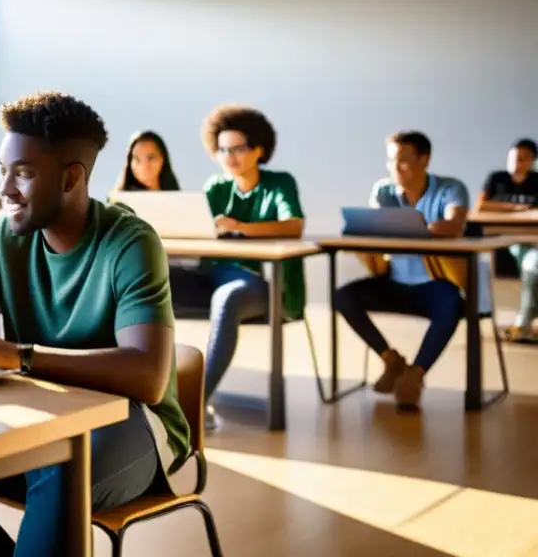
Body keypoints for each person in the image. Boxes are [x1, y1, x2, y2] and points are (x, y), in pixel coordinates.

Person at [0, 91, 190, 557]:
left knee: (59, 462)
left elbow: (148, 377)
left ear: (71, 177)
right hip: (39, 416)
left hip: (133, 425)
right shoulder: (9, 233)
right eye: (3, 171)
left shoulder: (131, 243)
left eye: (24, 173)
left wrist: (19, 357)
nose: (5, 189)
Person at [167, 105, 305, 433]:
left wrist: (241, 227)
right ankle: (144, 392)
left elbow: (293, 226)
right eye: (223, 150)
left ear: (259, 150)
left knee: (227, 298)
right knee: (151, 278)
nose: (230, 157)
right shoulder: (215, 187)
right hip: (210, 277)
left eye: (238, 149)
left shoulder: (279, 183)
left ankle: (193, 402)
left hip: (256, 283)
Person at [333, 131, 470, 410]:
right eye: (391, 161)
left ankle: (415, 375)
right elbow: (373, 226)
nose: (396, 168)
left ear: (425, 160)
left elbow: (454, 224)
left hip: (434, 284)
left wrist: (417, 227)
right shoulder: (383, 190)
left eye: (403, 161)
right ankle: (390, 359)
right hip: (393, 283)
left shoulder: (450, 188)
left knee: (453, 303)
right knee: (343, 297)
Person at [476, 138, 538, 341]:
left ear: (531, 161)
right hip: (498, 236)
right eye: (512, 157)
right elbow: (482, 205)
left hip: (530, 239)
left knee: (532, 262)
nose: (516, 163)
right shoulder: (497, 178)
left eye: (521, 159)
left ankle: (523, 322)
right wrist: (516, 208)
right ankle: (523, 321)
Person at [111, 130, 181, 193]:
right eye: (137, 159)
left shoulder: (176, 197)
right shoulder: (121, 201)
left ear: (162, 159)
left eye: (150, 158)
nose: (144, 165)